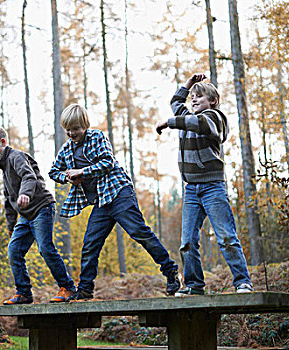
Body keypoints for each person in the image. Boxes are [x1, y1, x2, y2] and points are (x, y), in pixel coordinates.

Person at [49, 104, 180, 301]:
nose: (71, 133)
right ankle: (85, 288)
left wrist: (82, 172)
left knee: (139, 232)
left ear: (85, 125)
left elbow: (107, 162)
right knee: (90, 243)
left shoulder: (97, 137)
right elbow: (53, 172)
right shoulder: (67, 149)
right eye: (68, 129)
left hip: (118, 193)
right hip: (101, 202)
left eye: (75, 128)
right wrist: (67, 177)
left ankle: (171, 271)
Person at [155, 73, 254, 295]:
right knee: (187, 242)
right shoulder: (189, 117)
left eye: (199, 96)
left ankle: (242, 282)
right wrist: (188, 83)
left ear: (212, 101)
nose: (194, 99)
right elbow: (175, 103)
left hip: (212, 187)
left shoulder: (214, 118)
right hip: (191, 189)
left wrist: (169, 123)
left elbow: (197, 123)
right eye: (192, 96)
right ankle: (194, 285)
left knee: (226, 237)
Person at [0, 127, 76, 304]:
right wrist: (11, 228)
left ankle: (68, 288)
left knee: (45, 248)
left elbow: (29, 177)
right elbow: (9, 201)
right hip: (26, 216)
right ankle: (24, 292)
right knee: (14, 250)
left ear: (2, 142)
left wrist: (25, 193)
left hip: (42, 207)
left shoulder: (16, 157)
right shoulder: (4, 168)